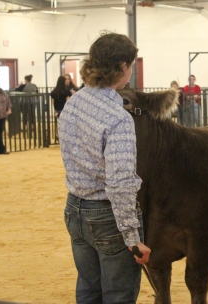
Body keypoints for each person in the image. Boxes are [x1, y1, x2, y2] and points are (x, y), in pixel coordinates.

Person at [58, 32, 151, 304]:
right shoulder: (118, 119)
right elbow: (120, 183)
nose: (131, 70)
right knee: (118, 295)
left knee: (88, 290)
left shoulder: (72, 104)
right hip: (106, 216)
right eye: (131, 64)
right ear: (121, 66)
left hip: (74, 209)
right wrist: (133, 238)